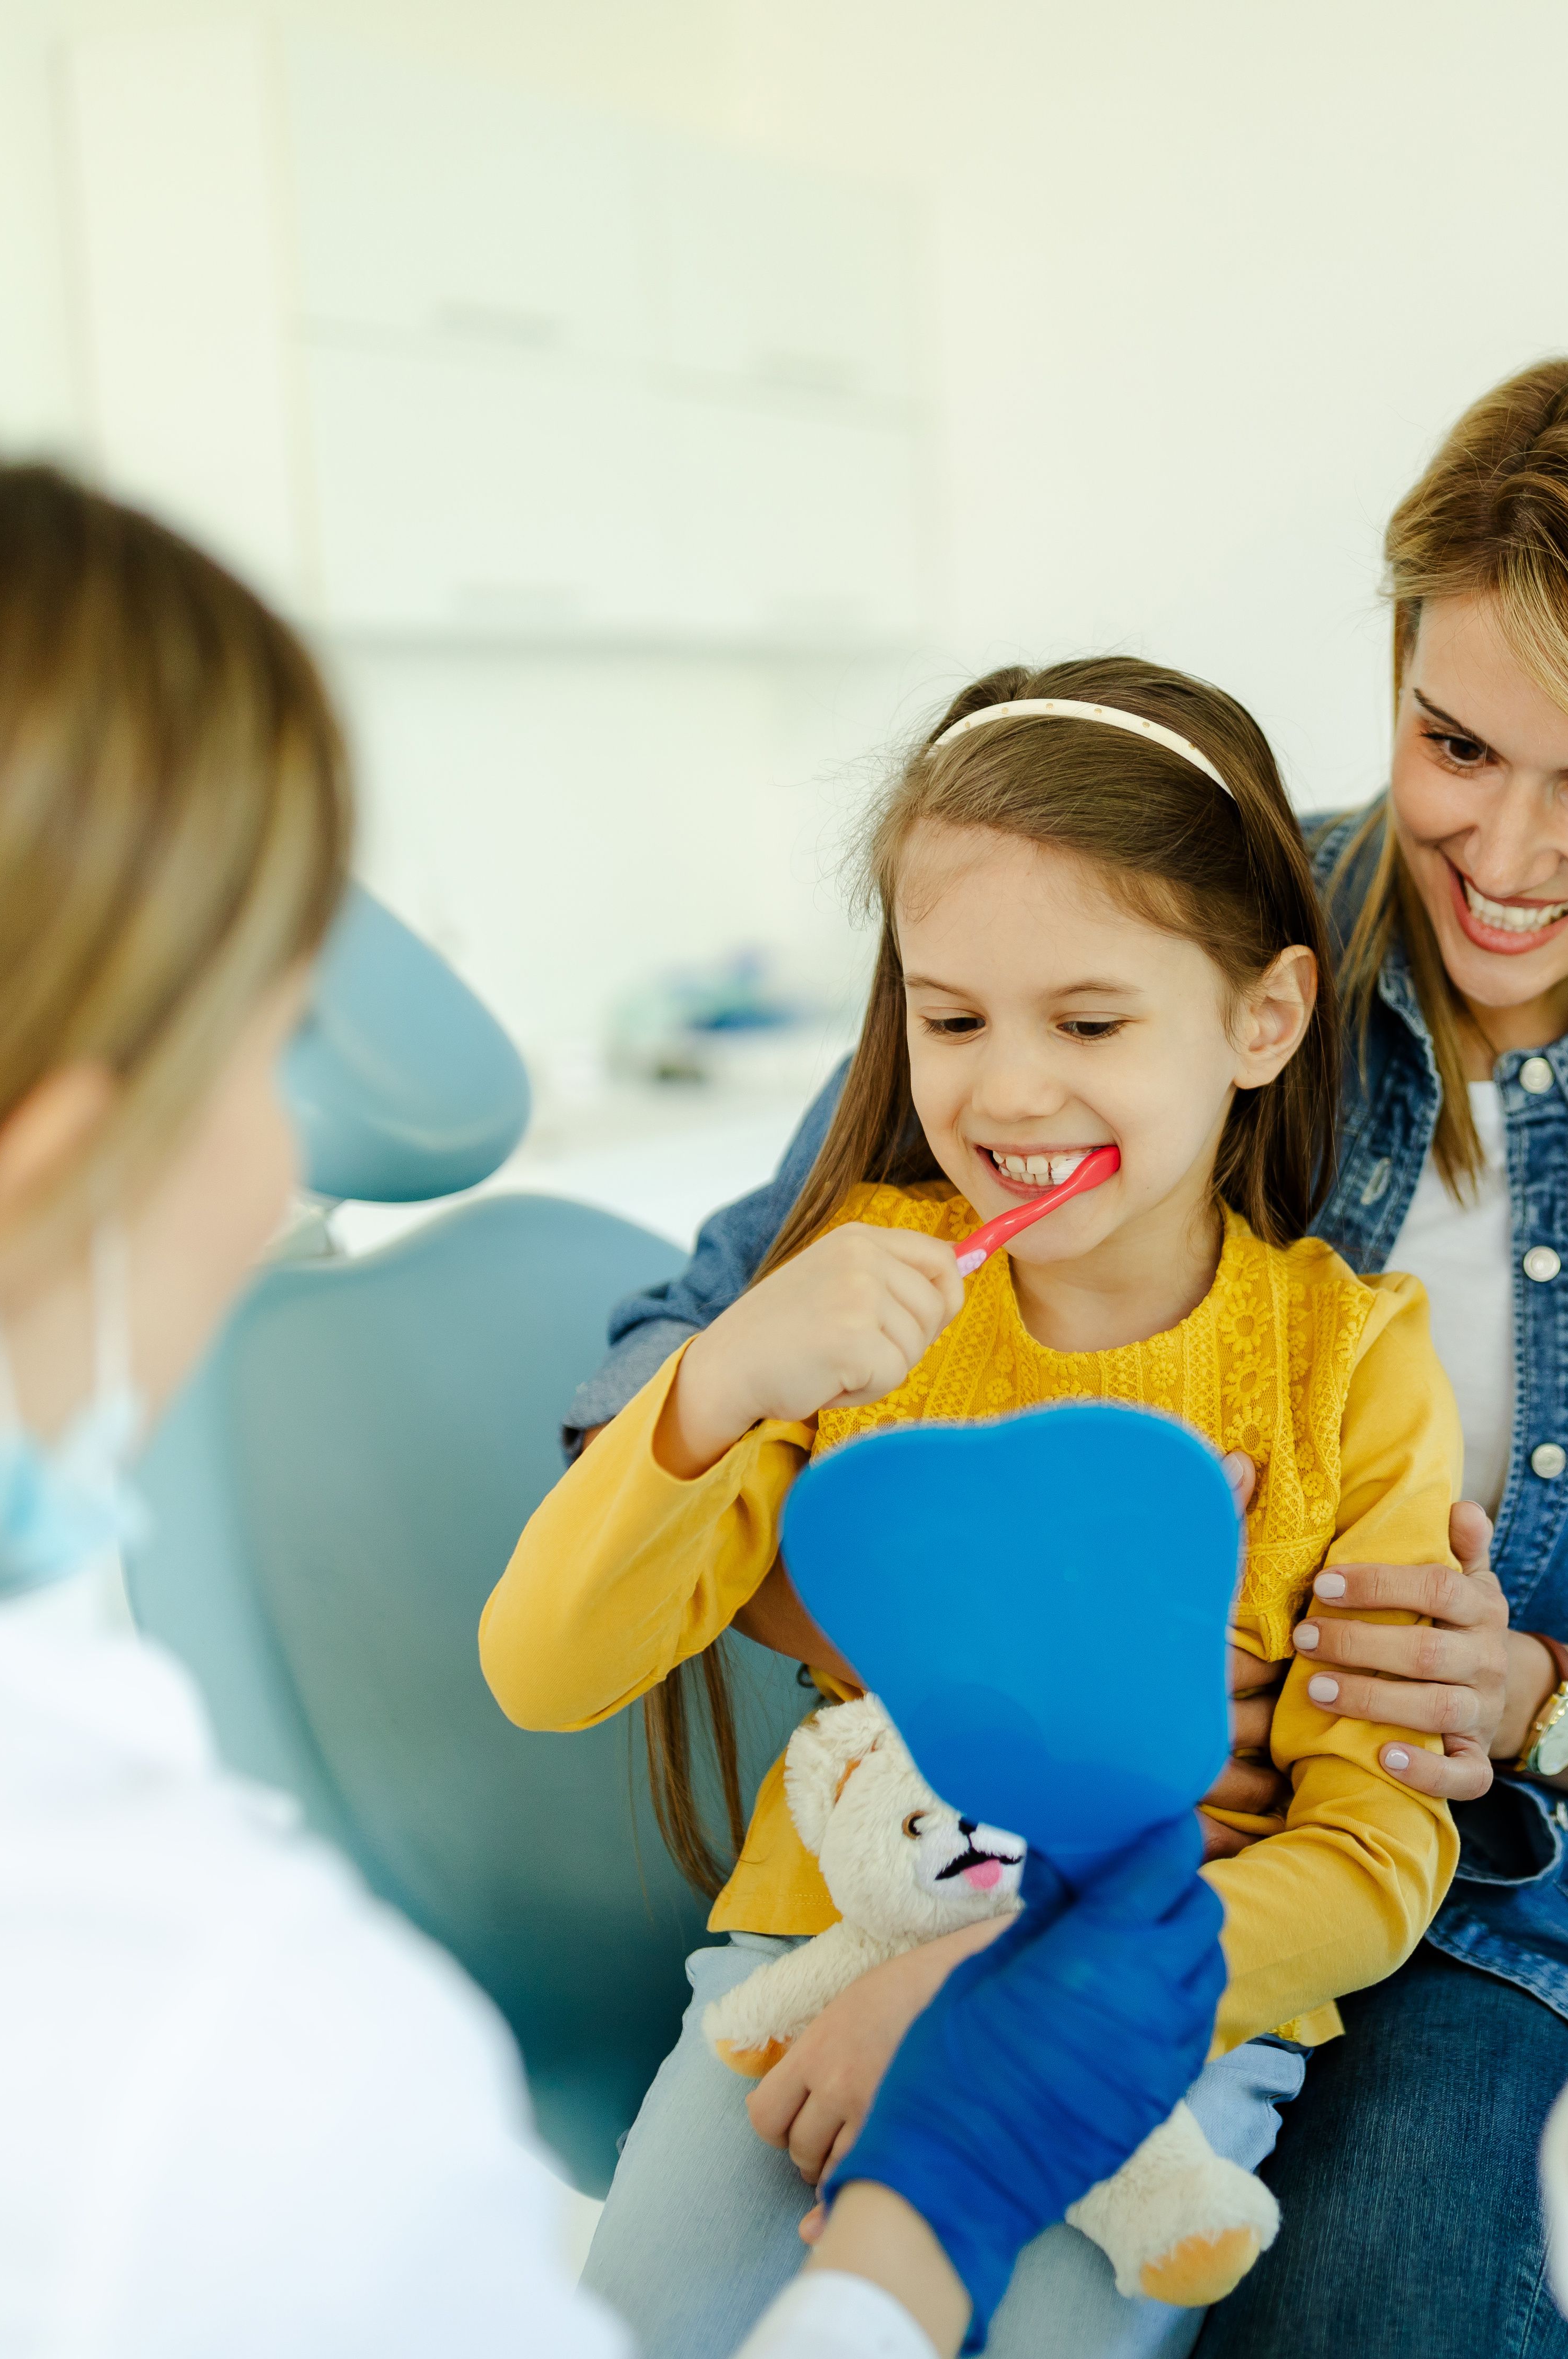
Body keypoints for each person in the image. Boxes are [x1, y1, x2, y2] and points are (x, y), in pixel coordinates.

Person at [0, 402, 1227, 2359]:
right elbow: (553, 1649)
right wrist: (920, 2225)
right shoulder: (211, 2061)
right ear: (43, 1180)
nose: (286, 1164)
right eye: (264, 1057)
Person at [565, 348, 1568, 2357]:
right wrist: (949, 1627)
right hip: (965, 1841)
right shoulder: (1152, 930)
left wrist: (1537, 1695)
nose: (1511, 850)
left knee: (1367, 2306)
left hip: (1455, 1906)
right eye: (1457, 743)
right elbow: (677, 1369)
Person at [488, 658, 1468, 2359]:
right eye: (953, 1019)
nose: (1007, 1095)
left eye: (1089, 1024)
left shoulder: (1350, 1369)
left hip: (1165, 2027)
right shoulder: (840, 1301)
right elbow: (545, 1669)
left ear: (1266, 1018)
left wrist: (996, 1995)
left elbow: (1377, 1860)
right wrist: (720, 1378)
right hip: (794, 1982)